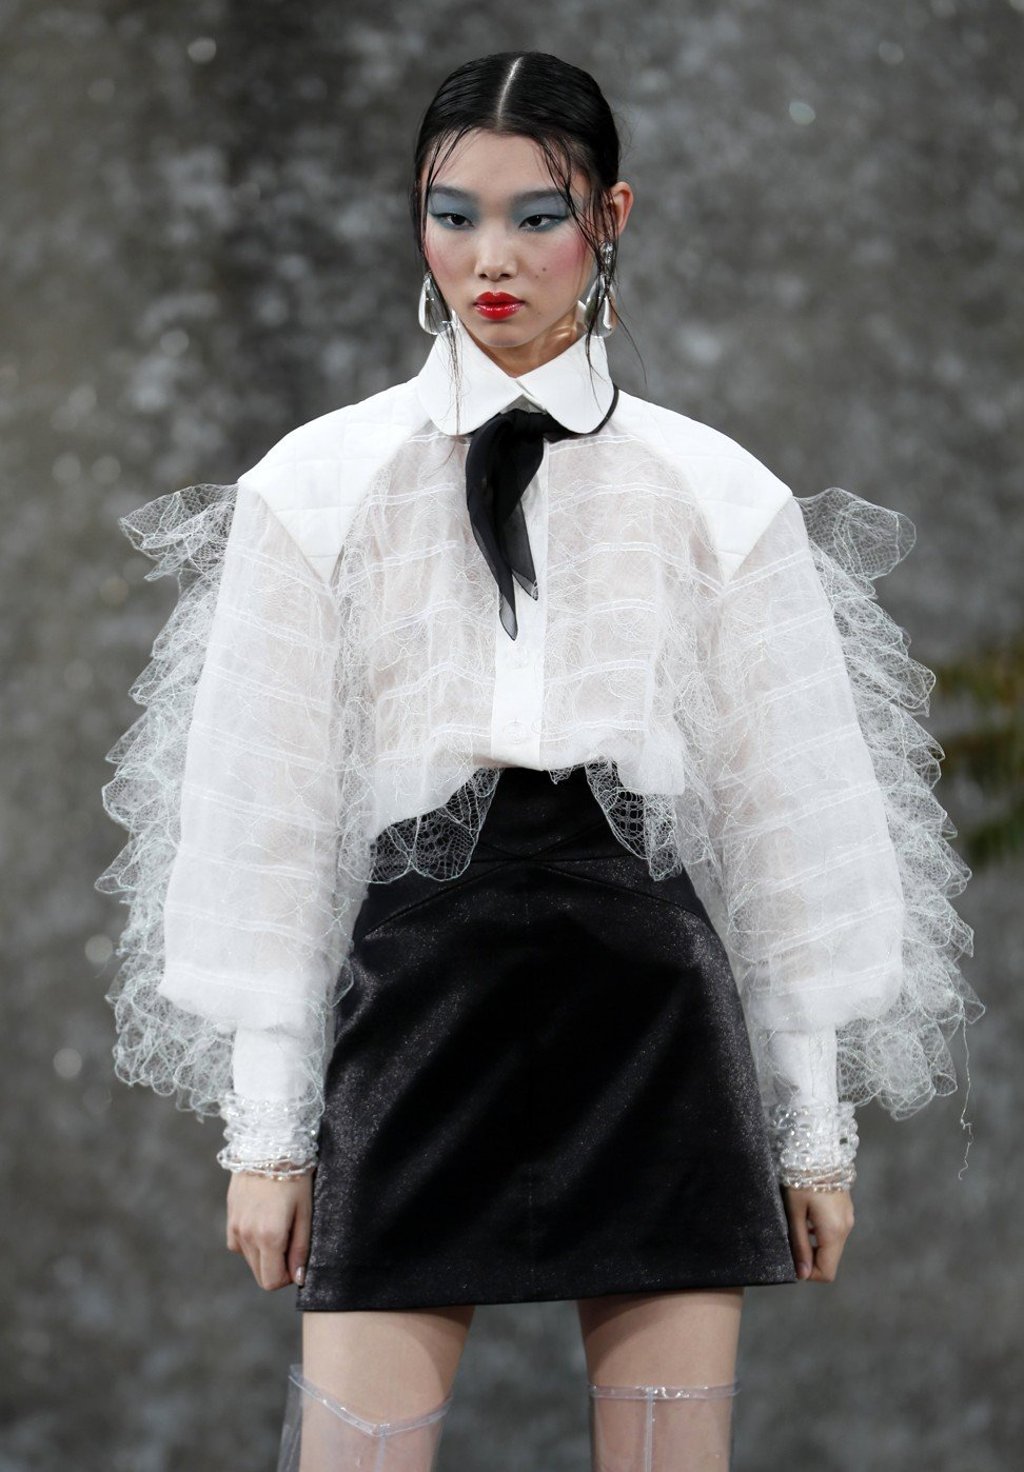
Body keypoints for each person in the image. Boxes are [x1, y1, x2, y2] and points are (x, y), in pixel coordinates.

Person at [96, 50, 982, 1472]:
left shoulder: (715, 490)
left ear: (611, 216)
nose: (490, 258)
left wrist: (813, 1130)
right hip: (413, 1007)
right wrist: (267, 1136)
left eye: (536, 215)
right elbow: (264, 815)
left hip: (650, 1021)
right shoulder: (316, 487)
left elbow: (793, 820)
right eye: (452, 216)